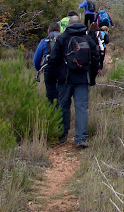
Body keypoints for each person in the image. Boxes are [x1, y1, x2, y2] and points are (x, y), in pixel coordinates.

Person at [45, 14, 99, 148]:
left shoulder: (62, 38)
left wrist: (52, 78)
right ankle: (80, 138)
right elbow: (95, 60)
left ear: (68, 25)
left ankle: (63, 135)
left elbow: (53, 59)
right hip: (82, 79)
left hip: (65, 79)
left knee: (64, 106)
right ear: (81, 24)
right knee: (81, 108)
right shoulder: (88, 39)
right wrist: (91, 79)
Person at [33, 22, 61, 103]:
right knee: (62, 94)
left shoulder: (44, 41)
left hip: (49, 69)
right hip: (62, 70)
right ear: (59, 30)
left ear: (48, 31)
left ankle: (52, 113)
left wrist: (39, 68)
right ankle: (61, 113)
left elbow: (36, 59)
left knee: (50, 94)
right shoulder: (64, 40)